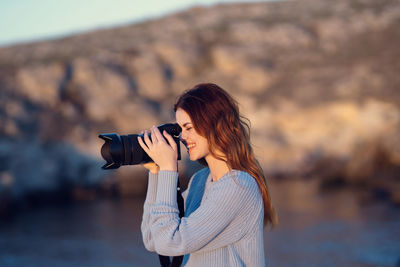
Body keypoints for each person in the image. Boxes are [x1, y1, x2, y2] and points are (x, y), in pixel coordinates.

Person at [138, 83, 277, 267]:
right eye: (180, 129)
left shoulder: (238, 186)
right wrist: (156, 173)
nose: (182, 137)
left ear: (212, 124)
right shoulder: (200, 180)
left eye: (188, 127)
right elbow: (153, 239)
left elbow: (169, 241)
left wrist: (168, 169)